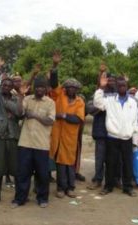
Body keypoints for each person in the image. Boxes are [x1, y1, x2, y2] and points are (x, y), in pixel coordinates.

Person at [12, 76, 55, 208]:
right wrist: (20, 95)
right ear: (34, 88)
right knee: (22, 173)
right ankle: (20, 199)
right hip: (25, 143)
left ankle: (42, 198)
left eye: (42, 87)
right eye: (37, 87)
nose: (40, 89)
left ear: (46, 89)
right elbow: (19, 113)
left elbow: (50, 121)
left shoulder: (50, 103)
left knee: (42, 174)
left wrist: (35, 115)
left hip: (41, 145)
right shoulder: (27, 99)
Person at [93, 75, 138, 197]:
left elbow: (135, 119)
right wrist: (101, 88)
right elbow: (97, 103)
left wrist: (132, 130)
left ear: (127, 87)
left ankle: (127, 187)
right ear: (116, 87)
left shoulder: (133, 102)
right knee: (111, 163)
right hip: (112, 137)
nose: (122, 87)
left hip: (127, 138)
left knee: (127, 164)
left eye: (124, 85)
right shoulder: (110, 99)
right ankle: (108, 186)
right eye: (120, 86)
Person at [0, 57, 24, 205]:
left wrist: (20, 97)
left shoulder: (15, 99)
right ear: (1, 85)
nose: (7, 86)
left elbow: (19, 113)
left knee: (15, 167)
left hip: (14, 136)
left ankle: (18, 194)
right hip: (0, 136)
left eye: (9, 85)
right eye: (4, 84)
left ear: (12, 87)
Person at [49, 53, 85, 199]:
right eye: (69, 87)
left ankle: (70, 188)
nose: (71, 89)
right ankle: (60, 188)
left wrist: (63, 115)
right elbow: (53, 82)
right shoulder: (60, 96)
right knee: (59, 164)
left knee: (70, 164)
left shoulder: (79, 102)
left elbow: (78, 119)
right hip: (58, 136)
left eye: (74, 88)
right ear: (65, 89)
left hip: (70, 138)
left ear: (76, 90)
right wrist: (55, 66)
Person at [86, 64, 117, 190]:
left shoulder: (117, 95)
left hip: (114, 132)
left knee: (113, 158)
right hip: (100, 131)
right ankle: (97, 179)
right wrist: (102, 107)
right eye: (109, 80)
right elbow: (89, 108)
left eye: (113, 80)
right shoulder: (99, 93)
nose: (111, 82)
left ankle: (113, 180)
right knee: (100, 158)